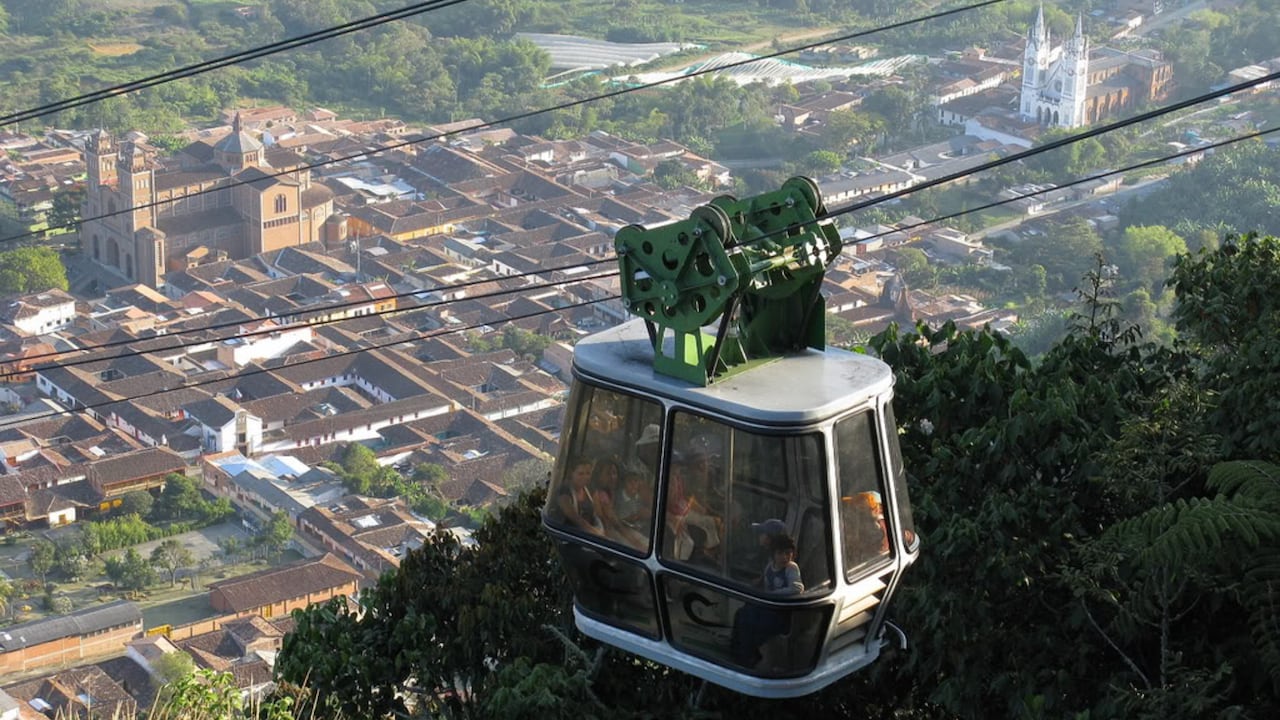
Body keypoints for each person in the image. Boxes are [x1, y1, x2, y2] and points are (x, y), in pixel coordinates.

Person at [731, 532, 805, 669]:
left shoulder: (791, 568)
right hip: (767, 606)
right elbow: (764, 582)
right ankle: (738, 651)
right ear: (773, 554)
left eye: (788, 553)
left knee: (755, 624)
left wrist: (774, 595)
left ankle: (749, 656)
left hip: (780, 613)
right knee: (741, 614)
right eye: (780, 553)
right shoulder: (770, 567)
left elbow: (797, 588)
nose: (784, 557)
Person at [556, 458, 605, 536]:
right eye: (581, 474)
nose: (585, 477)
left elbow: (598, 515)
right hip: (571, 537)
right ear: (571, 473)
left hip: (592, 535)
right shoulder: (564, 491)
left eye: (588, 473)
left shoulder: (591, 490)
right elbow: (576, 519)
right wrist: (597, 534)